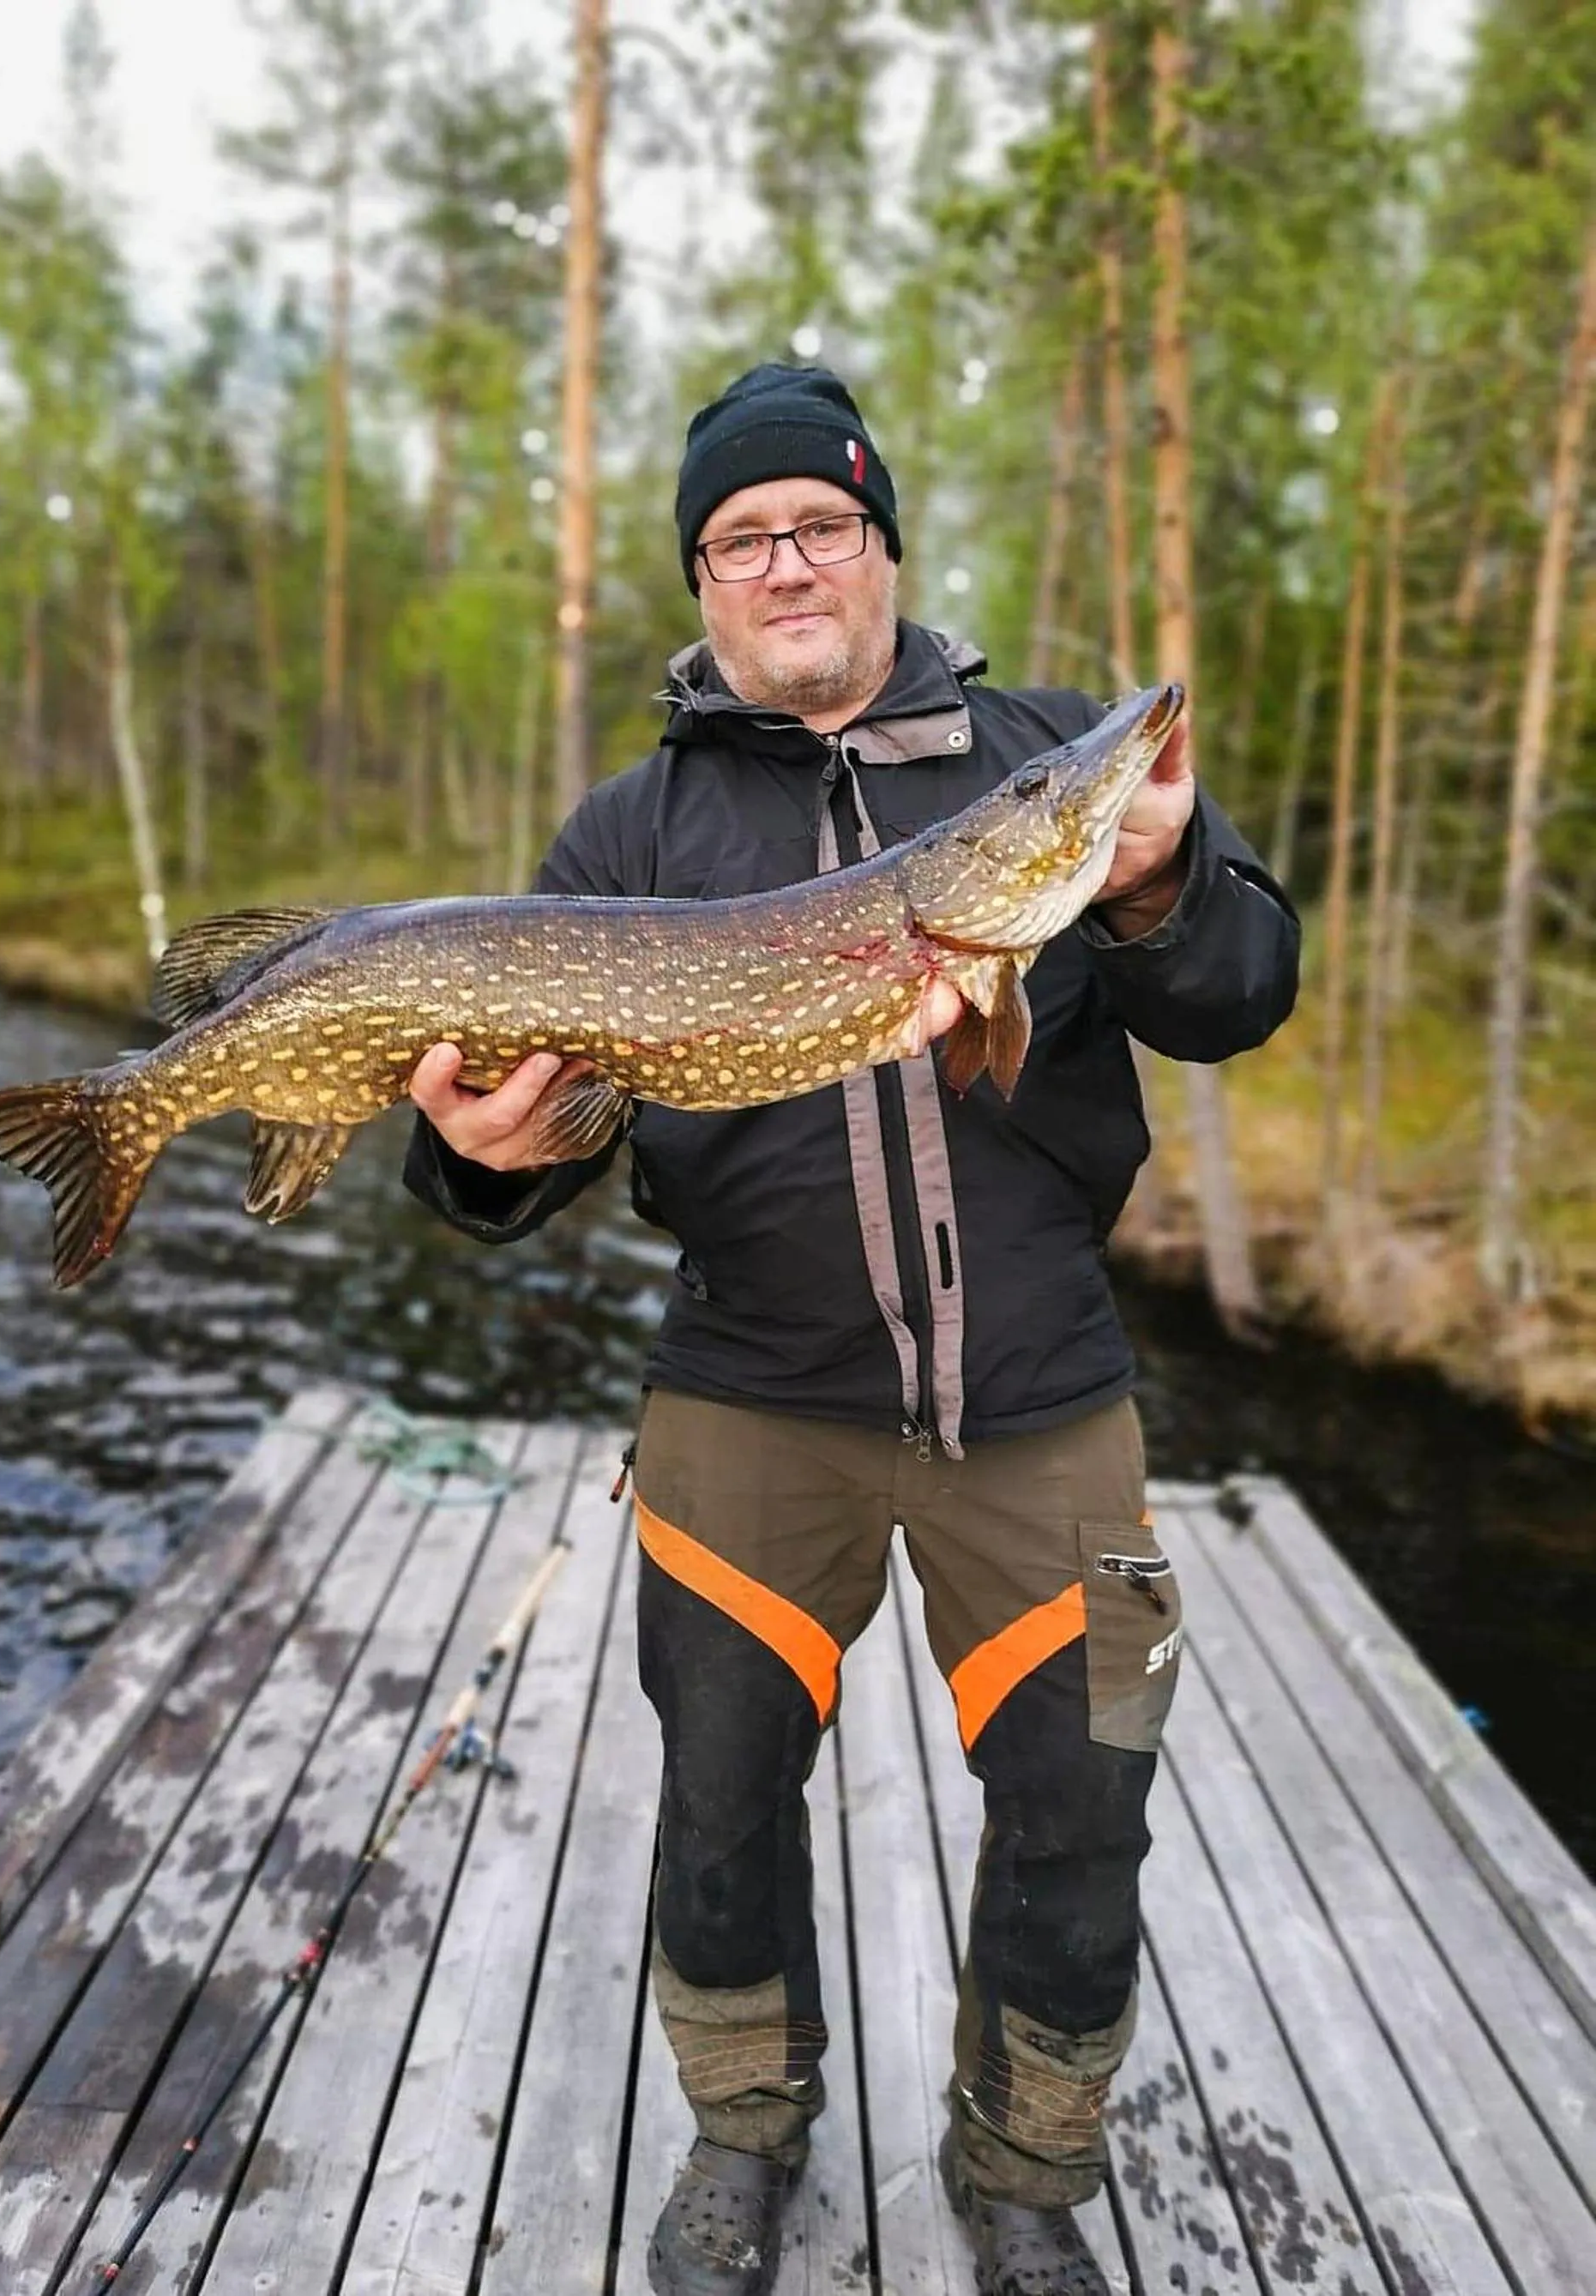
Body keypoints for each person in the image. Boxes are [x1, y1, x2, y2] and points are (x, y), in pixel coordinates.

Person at [403, 363, 1299, 2296]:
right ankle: (745, 2132)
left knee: (1089, 1806)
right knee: (718, 1806)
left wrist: (1155, 879)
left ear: (883, 547)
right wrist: (478, 1156)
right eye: (742, 540)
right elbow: (520, 1155)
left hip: (1052, 1397)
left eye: (823, 523)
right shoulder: (627, 833)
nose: (787, 562)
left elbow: (1239, 993)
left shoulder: (1052, 768)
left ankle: (1030, 2169)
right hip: (748, 1398)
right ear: (702, 585)